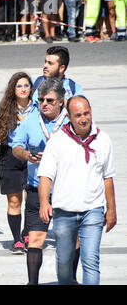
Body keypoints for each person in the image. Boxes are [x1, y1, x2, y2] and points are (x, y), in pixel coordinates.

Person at [38, 95, 117, 285]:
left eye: (87, 113)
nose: (83, 119)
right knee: (64, 262)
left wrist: (112, 210)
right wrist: (44, 202)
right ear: (69, 117)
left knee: (91, 261)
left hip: (93, 211)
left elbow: (108, 177)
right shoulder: (57, 141)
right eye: (78, 115)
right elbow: (46, 176)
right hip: (64, 211)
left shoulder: (103, 139)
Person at [11, 78, 69, 284]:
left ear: (61, 101)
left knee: (72, 240)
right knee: (35, 239)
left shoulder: (70, 122)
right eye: (41, 99)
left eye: (50, 100)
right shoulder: (31, 120)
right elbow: (15, 145)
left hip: (65, 190)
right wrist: (27, 155)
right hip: (36, 189)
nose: (44, 103)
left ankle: (70, 279)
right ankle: (32, 282)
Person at [0, 72, 36, 254]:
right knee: (14, 200)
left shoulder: (37, 108)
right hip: (9, 156)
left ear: (31, 88)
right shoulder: (3, 108)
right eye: (19, 86)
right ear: (13, 89)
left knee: (32, 199)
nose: (23, 89)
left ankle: (27, 232)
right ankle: (17, 240)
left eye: (26, 85)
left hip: (32, 157)